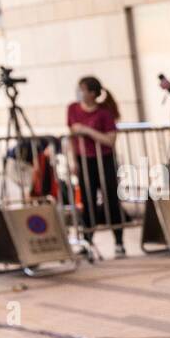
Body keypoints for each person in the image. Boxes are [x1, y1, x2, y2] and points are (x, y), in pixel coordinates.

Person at [67, 76, 126, 256]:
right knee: (87, 201)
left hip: (105, 159)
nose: (79, 93)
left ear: (92, 93)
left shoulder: (104, 113)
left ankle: (118, 241)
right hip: (84, 160)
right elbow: (71, 137)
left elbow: (110, 139)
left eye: (83, 89)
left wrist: (87, 131)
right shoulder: (73, 109)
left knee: (111, 200)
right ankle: (87, 241)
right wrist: (73, 161)